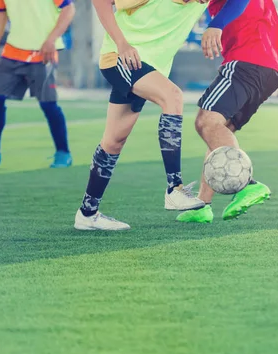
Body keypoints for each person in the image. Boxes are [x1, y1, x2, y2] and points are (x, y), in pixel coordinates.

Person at [73, 0, 209, 231]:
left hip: (150, 66)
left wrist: (217, 26)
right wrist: (122, 43)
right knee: (173, 96)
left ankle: (87, 213)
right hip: (122, 57)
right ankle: (174, 189)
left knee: (114, 141)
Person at [176, 0, 278, 223]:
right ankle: (202, 205)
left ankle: (247, 185)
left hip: (248, 59)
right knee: (218, 132)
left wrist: (217, 24)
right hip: (267, 66)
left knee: (206, 122)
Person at [0, 0, 75, 169]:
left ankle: (63, 153)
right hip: (13, 52)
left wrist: (51, 40)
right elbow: (1, 14)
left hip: (43, 53)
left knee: (48, 105)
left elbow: (69, 9)